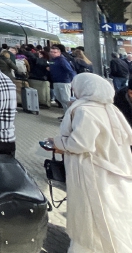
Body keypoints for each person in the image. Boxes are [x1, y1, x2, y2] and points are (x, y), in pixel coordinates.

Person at [47, 73, 132, 252]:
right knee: (113, 218)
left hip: (91, 173)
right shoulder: (112, 109)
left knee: (91, 220)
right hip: (116, 173)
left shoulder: (84, 109)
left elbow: (80, 143)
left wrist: (57, 143)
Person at [49, 45, 76, 112]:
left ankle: (70, 115)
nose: (52, 53)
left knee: (66, 99)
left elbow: (70, 70)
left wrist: (74, 80)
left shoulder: (62, 60)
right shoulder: (52, 60)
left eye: (54, 52)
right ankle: (66, 114)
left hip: (64, 82)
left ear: (59, 53)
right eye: (51, 52)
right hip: (56, 81)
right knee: (59, 98)